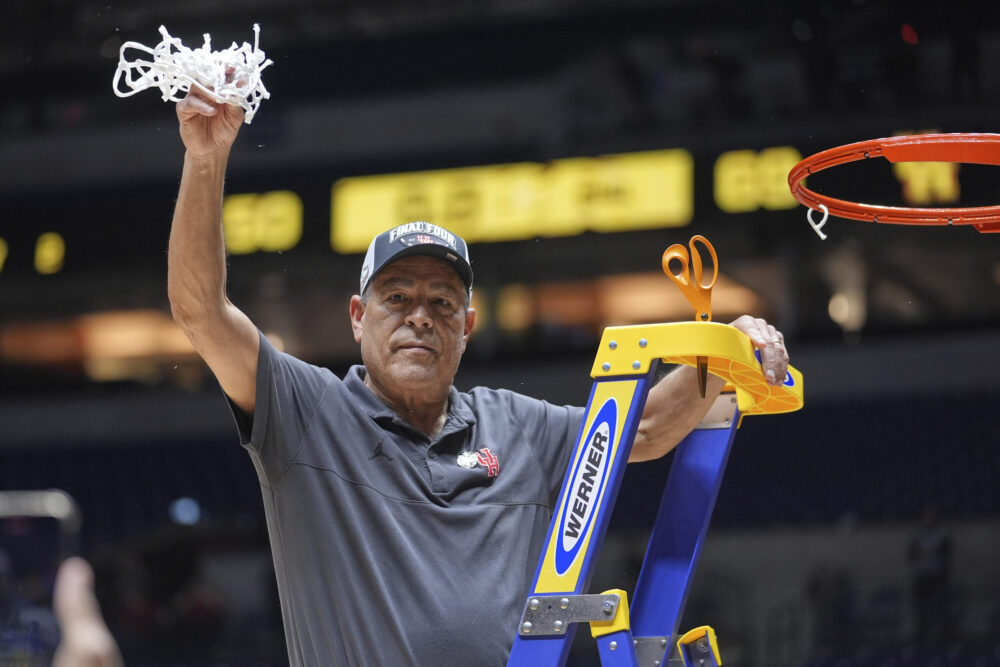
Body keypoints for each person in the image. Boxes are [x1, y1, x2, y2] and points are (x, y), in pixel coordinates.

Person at [167, 88, 790, 666]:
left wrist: (728, 348)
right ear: (358, 318)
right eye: (397, 298)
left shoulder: (517, 424)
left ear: (467, 325)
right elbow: (201, 311)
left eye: (442, 303)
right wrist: (206, 158)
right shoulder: (309, 413)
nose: (420, 318)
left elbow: (646, 428)